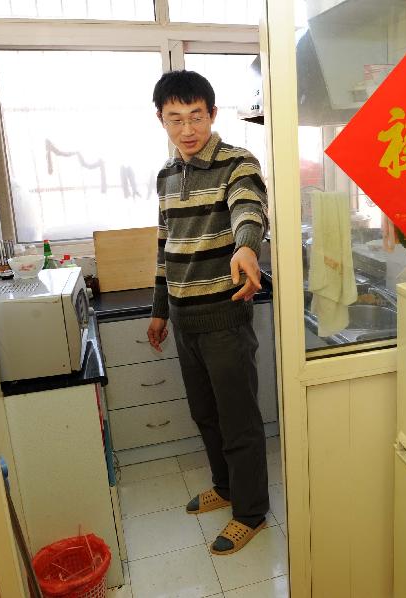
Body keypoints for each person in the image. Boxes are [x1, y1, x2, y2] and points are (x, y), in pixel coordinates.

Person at [146, 70, 269, 555]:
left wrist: (246, 247)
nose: (187, 129)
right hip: (182, 318)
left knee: (238, 418)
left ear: (212, 115)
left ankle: (251, 512)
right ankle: (225, 485)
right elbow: (165, 247)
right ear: (161, 121)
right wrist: (159, 310)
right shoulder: (166, 176)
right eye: (175, 119)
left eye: (196, 116)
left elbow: (248, 207)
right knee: (206, 414)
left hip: (223, 316)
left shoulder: (237, 163)